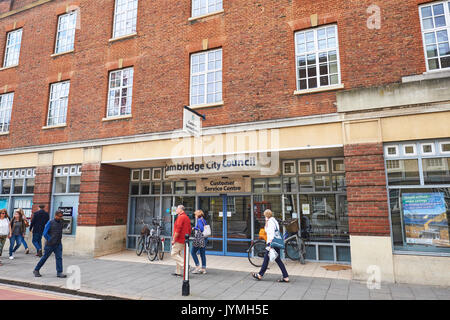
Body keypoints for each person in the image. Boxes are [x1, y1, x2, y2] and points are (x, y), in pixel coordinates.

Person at [252, 209, 289, 283]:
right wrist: (266, 221)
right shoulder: (274, 221)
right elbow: (267, 229)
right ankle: (285, 276)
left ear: (266, 215)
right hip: (275, 243)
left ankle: (260, 275)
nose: (264, 217)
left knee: (266, 259)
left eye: (265, 216)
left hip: (272, 243)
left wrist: (271, 244)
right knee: (277, 260)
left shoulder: (271, 222)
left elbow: (271, 233)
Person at [33, 210, 66, 278]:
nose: (60, 217)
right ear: (55, 215)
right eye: (59, 216)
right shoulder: (50, 222)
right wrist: (50, 239)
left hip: (58, 243)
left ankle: (59, 272)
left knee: (59, 258)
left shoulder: (61, 222)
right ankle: (36, 270)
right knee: (45, 257)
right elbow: (45, 233)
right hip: (50, 244)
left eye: (61, 216)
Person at [170, 205, 192, 277]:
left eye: (177, 209)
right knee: (178, 254)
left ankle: (185, 265)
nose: (176, 210)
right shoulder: (186, 217)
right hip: (184, 239)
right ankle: (178, 272)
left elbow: (178, 230)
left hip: (179, 239)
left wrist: (174, 239)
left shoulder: (181, 217)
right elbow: (189, 229)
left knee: (173, 253)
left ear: (180, 209)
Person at [191, 210, 207, 274]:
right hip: (204, 238)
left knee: (193, 252)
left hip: (199, 239)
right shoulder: (203, 220)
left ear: (198, 215)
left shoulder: (199, 220)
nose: (195, 216)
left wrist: (194, 228)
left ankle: (197, 266)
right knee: (202, 253)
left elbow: (201, 229)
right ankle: (203, 268)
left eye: (195, 214)